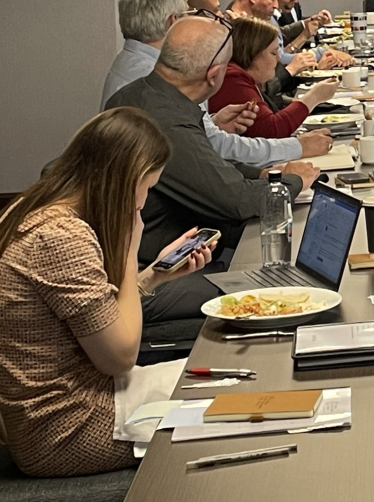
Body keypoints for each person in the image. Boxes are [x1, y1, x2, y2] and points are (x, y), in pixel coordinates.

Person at [0, 108, 215, 476]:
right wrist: (131, 254)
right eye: (146, 188)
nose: (143, 204)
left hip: (65, 407)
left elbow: (95, 318)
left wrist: (153, 277)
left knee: (220, 381)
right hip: (68, 429)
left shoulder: (29, 210)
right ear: (124, 181)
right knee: (229, 412)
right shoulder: (61, 239)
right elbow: (119, 357)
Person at [105, 15, 321, 271]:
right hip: (156, 268)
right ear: (214, 74)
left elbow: (206, 164)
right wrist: (294, 181)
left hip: (160, 248)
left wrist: (267, 173)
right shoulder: (167, 123)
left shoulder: (141, 95)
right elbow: (237, 201)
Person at [102, 0, 330, 166]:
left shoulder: (130, 64)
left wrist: (213, 122)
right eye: (189, 13)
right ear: (174, 22)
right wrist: (297, 147)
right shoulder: (157, 76)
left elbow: (186, 138)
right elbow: (215, 147)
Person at [208, 16, 343, 138]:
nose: (279, 58)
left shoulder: (242, 77)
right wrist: (314, 97)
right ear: (252, 54)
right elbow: (272, 129)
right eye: (273, 53)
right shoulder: (232, 79)